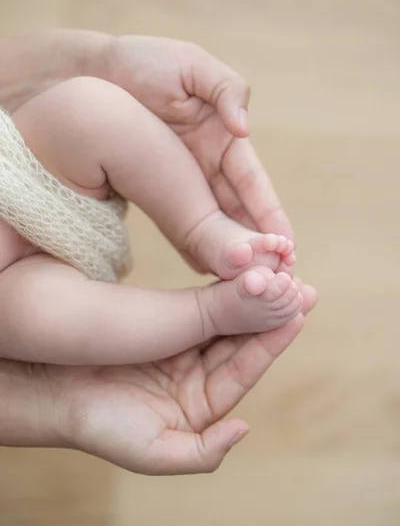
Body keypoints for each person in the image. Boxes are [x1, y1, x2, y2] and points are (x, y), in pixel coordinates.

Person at [0, 29, 317, 474]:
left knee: (89, 109)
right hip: (11, 289)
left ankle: (205, 227)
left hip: (17, 159)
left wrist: (95, 57)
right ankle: (208, 312)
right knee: (41, 315)